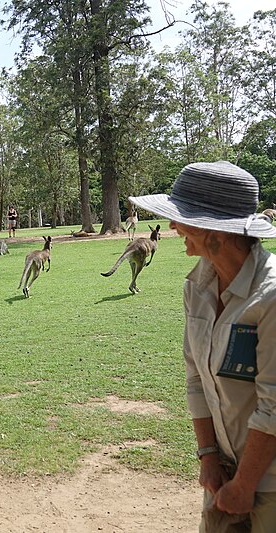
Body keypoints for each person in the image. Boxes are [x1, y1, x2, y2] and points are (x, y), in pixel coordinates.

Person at [130, 161, 276, 531]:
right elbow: (196, 377)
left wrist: (245, 484)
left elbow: (274, 404)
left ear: (216, 233)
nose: (174, 227)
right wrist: (209, 457)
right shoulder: (197, 286)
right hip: (225, 469)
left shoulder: (270, 297)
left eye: (182, 219)